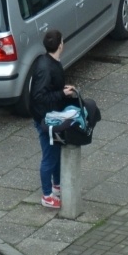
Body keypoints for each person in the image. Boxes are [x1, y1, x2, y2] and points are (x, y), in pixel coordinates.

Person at [26, 29, 78, 209]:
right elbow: (40, 97)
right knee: (49, 157)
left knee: (55, 153)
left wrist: (62, 90)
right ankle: (47, 195)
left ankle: (56, 186)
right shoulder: (47, 67)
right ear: (60, 45)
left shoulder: (47, 61)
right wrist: (61, 93)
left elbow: (48, 89)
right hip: (46, 120)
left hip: (50, 117)